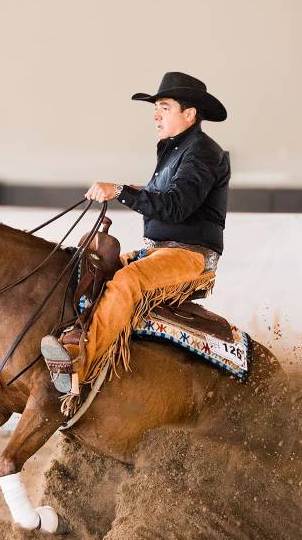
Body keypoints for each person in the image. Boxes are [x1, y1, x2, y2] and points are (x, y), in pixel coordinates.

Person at [42, 71, 231, 401]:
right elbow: (162, 196)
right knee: (88, 266)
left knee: (127, 282)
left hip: (190, 256)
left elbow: (174, 206)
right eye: (156, 107)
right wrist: (125, 190)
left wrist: (118, 191)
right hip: (161, 251)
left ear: (190, 114)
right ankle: (58, 342)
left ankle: (78, 365)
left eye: (165, 107)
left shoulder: (203, 153)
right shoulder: (176, 150)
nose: (156, 114)